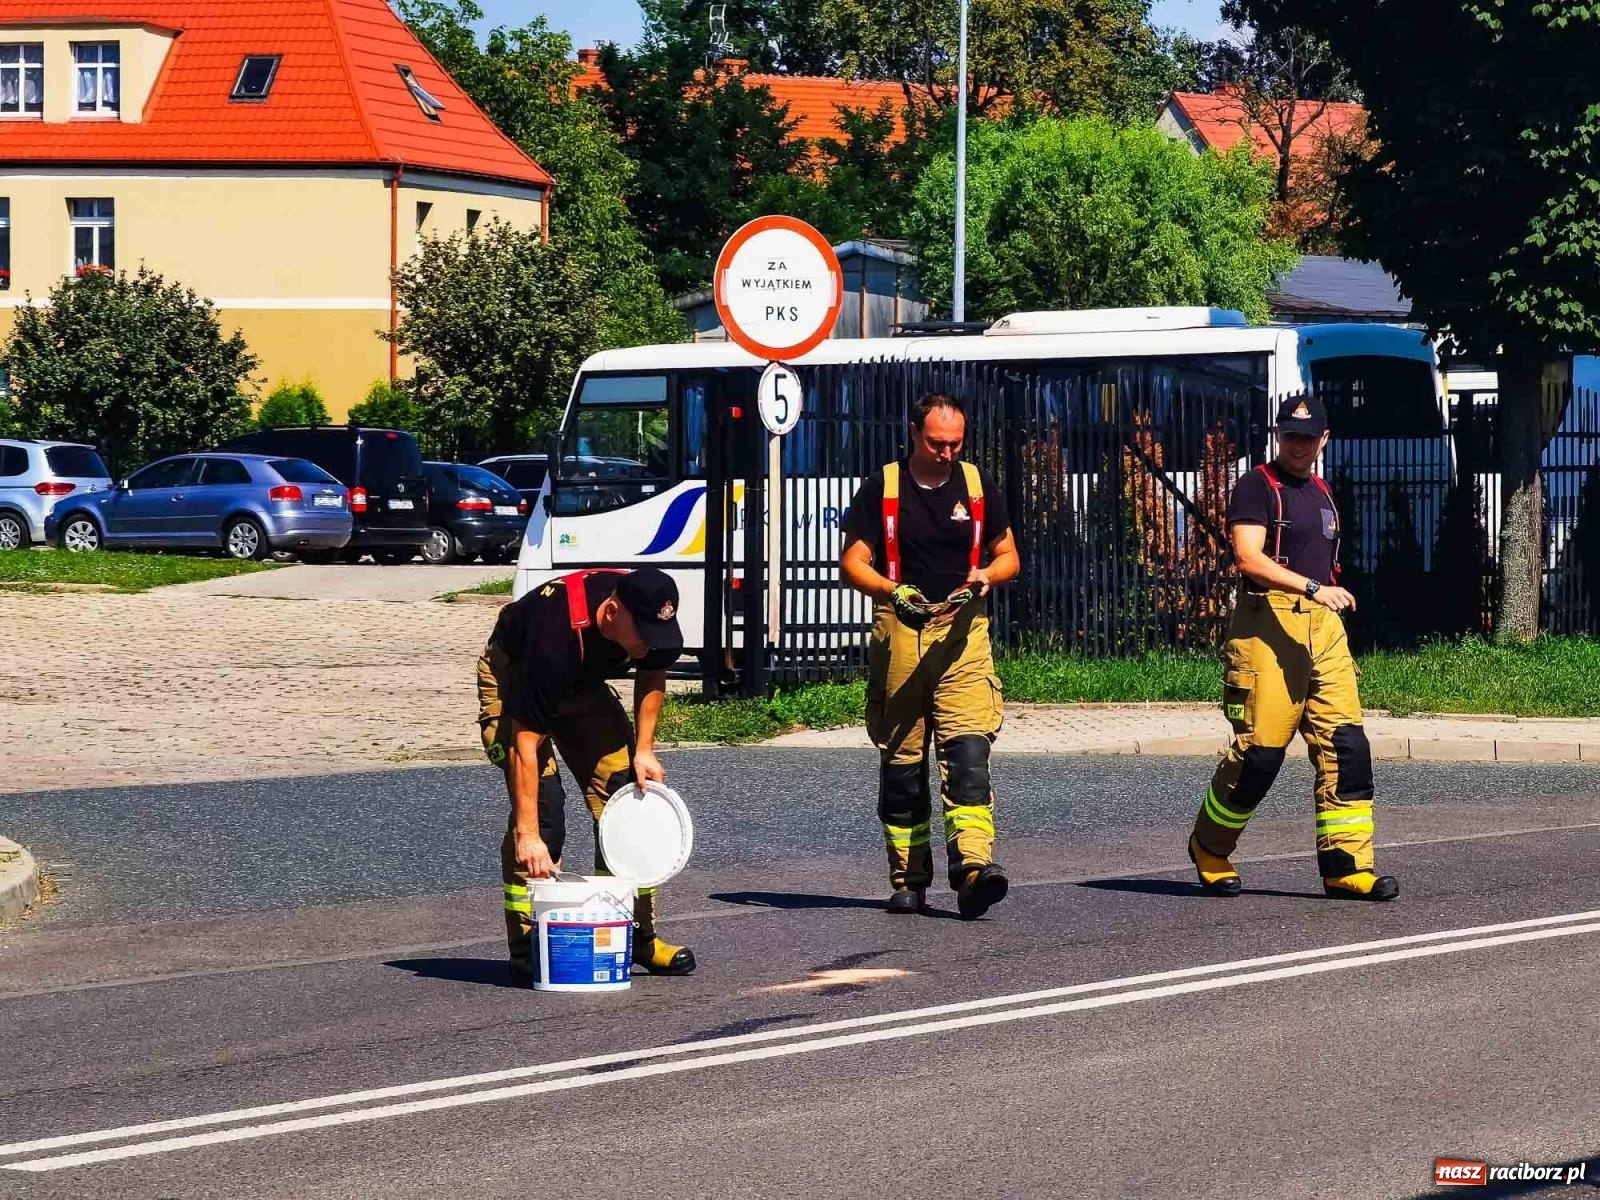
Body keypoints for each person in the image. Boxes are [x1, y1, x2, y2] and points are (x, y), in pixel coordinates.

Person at [1188, 392, 1399, 902]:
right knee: (1260, 754)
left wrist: (1323, 605)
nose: (1299, 445)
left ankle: (1346, 864)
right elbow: (1248, 558)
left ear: (1324, 440)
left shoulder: (1323, 492)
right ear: (1278, 436)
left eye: (1308, 437)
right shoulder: (1256, 487)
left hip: (1323, 629)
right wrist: (1310, 587)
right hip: (1268, 625)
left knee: (1347, 746)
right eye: (1290, 436)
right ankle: (1210, 846)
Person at [841, 392, 1022, 919]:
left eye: (956, 443)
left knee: (969, 754)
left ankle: (971, 871)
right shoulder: (884, 486)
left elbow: (1007, 553)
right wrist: (891, 591)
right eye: (937, 442)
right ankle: (908, 877)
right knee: (901, 762)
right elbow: (853, 562)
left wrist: (986, 576)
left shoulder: (977, 485)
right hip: (901, 631)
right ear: (915, 433)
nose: (947, 452)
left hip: (963, 636)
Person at [477, 566, 696, 984]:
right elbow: (525, 743)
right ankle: (528, 948)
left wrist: (645, 749)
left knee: (629, 799)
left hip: (583, 685)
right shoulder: (553, 638)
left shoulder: (646, 612)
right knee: (544, 817)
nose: (651, 644)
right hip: (514, 680)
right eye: (644, 635)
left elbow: (653, 671)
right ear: (612, 612)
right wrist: (528, 834)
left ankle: (636, 937)